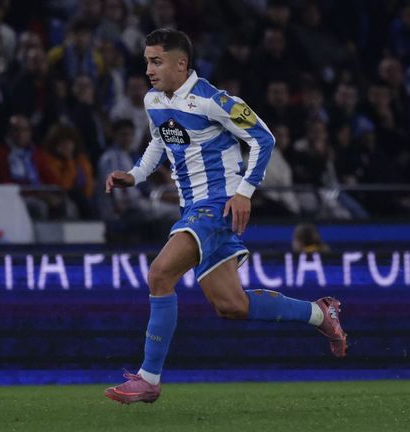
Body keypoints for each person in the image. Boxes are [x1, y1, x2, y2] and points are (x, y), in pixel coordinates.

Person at [103, 28, 347, 405]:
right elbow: (159, 141)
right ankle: (319, 313)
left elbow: (263, 138)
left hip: (216, 206)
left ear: (180, 63)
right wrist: (134, 175)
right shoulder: (154, 100)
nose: (149, 70)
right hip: (193, 209)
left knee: (159, 273)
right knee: (232, 306)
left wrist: (244, 192)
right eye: (147, 61)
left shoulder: (212, 100)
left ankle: (149, 379)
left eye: (156, 61)